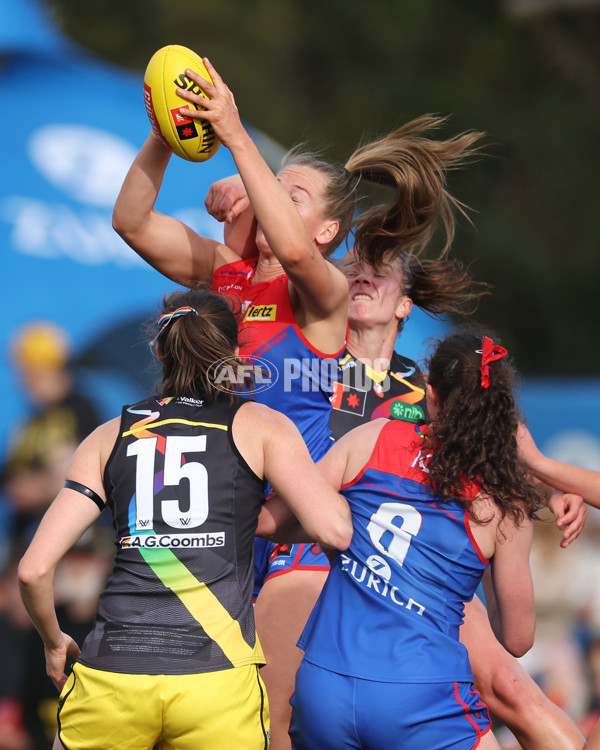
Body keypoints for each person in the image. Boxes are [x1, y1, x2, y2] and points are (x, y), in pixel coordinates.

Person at [113, 57, 484, 749]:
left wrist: (237, 135)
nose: (268, 198)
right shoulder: (221, 277)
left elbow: (285, 241)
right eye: (271, 189)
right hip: (221, 535)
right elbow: (131, 221)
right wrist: (167, 131)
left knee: (279, 723)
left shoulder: (321, 298)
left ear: (324, 235)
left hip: (292, 536)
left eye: (293, 194)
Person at [17, 288, 352, 750]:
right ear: (235, 353)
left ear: (159, 349)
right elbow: (333, 529)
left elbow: (33, 570)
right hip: (216, 680)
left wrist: (55, 643)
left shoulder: (109, 434)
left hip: (113, 676)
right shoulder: (259, 425)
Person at [288, 329, 545, 749]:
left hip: (325, 688)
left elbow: (290, 515)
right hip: (422, 698)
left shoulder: (372, 438)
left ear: (431, 393)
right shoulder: (504, 503)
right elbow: (517, 639)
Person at [1, 321, 100, 548]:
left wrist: (41, 488)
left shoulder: (81, 410)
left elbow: (91, 474)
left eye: (27, 372)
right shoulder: (30, 420)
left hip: (72, 541)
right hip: (25, 537)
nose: (21, 381)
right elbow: (9, 472)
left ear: (49, 368)